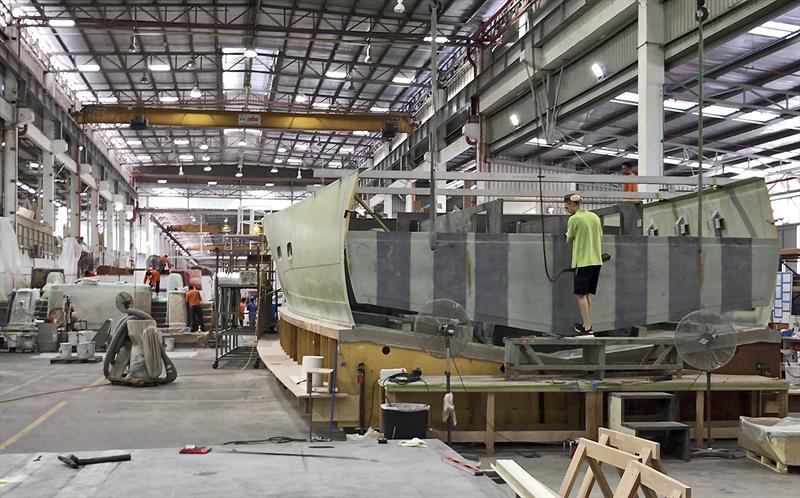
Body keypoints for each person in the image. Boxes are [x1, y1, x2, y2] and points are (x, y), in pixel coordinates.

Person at [564, 193, 603, 336]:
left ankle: (587, 329)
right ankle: (587, 324)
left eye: (567, 207)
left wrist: (567, 235)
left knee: (580, 295)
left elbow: (569, 239)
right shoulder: (595, 217)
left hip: (583, 261)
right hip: (596, 261)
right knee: (587, 294)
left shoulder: (574, 219)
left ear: (574, 205)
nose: (567, 210)